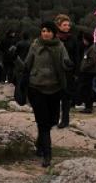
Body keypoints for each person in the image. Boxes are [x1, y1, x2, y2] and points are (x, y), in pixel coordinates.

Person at [24, 21, 73, 167]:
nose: (45, 33)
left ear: (53, 33)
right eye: (43, 30)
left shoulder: (59, 46)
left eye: (48, 31)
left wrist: (68, 64)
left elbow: (65, 61)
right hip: (36, 88)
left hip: (55, 89)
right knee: (43, 122)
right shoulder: (35, 45)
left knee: (51, 121)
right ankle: (47, 154)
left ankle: (40, 145)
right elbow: (27, 64)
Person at [55, 14, 79, 128]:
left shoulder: (73, 39)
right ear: (59, 26)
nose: (67, 27)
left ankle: (65, 120)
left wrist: (76, 72)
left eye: (68, 25)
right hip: (55, 72)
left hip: (68, 72)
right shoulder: (54, 38)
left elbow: (76, 56)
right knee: (54, 96)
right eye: (64, 25)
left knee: (66, 97)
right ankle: (53, 118)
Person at [77, 31, 96, 114]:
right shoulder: (88, 48)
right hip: (86, 72)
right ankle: (87, 106)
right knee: (85, 89)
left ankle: (88, 107)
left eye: (84, 39)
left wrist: (84, 67)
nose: (83, 41)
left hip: (89, 72)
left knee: (87, 89)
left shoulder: (92, 48)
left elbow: (92, 61)